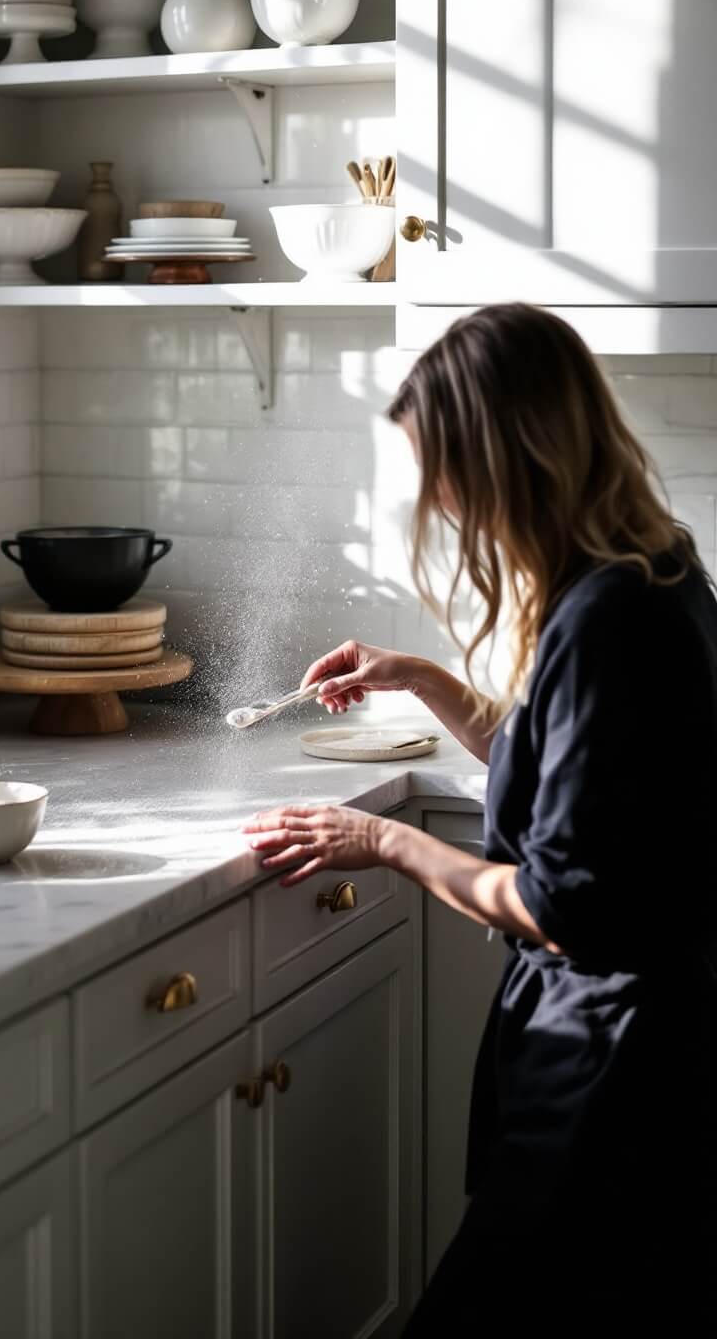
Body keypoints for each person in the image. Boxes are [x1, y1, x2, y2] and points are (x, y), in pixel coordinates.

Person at [242, 303, 717, 1334]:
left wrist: (379, 840)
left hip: (609, 1077)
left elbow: (561, 902)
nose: (442, 503)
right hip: (631, 1059)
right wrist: (420, 679)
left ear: (510, 454)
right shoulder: (650, 569)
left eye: (446, 470)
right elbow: (569, 796)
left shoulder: (608, 619)